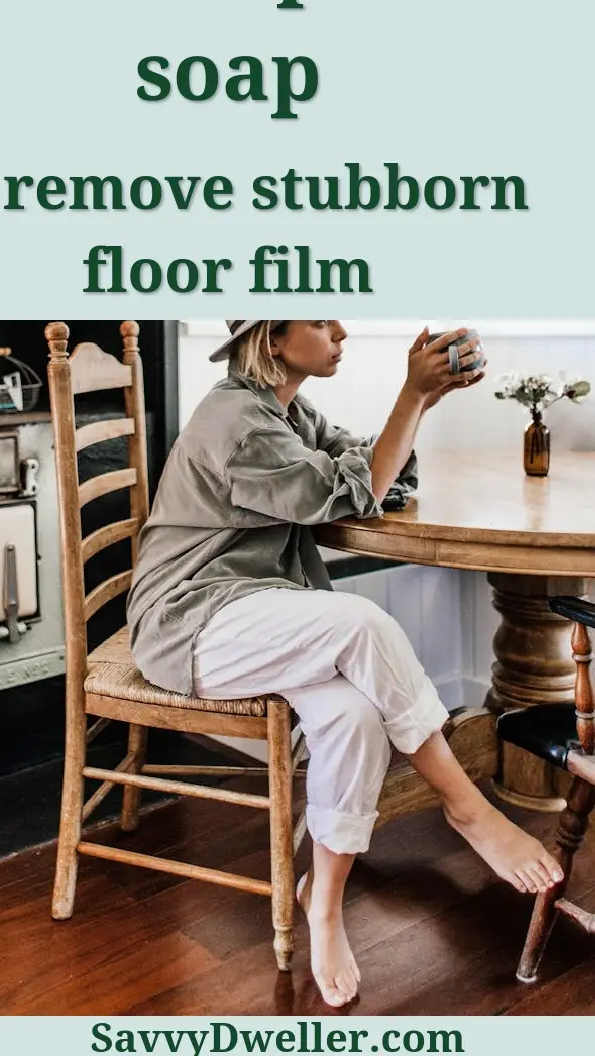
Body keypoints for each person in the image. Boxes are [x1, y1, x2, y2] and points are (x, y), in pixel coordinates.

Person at [126, 320, 563, 1008]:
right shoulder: (238, 423)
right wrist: (409, 398)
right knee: (361, 623)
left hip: (261, 610)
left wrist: (421, 402)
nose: (340, 331)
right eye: (320, 319)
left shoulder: (290, 411)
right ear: (272, 339)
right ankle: (468, 807)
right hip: (191, 621)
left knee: (356, 716)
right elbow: (348, 491)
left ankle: (322, 902)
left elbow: (369, 468)